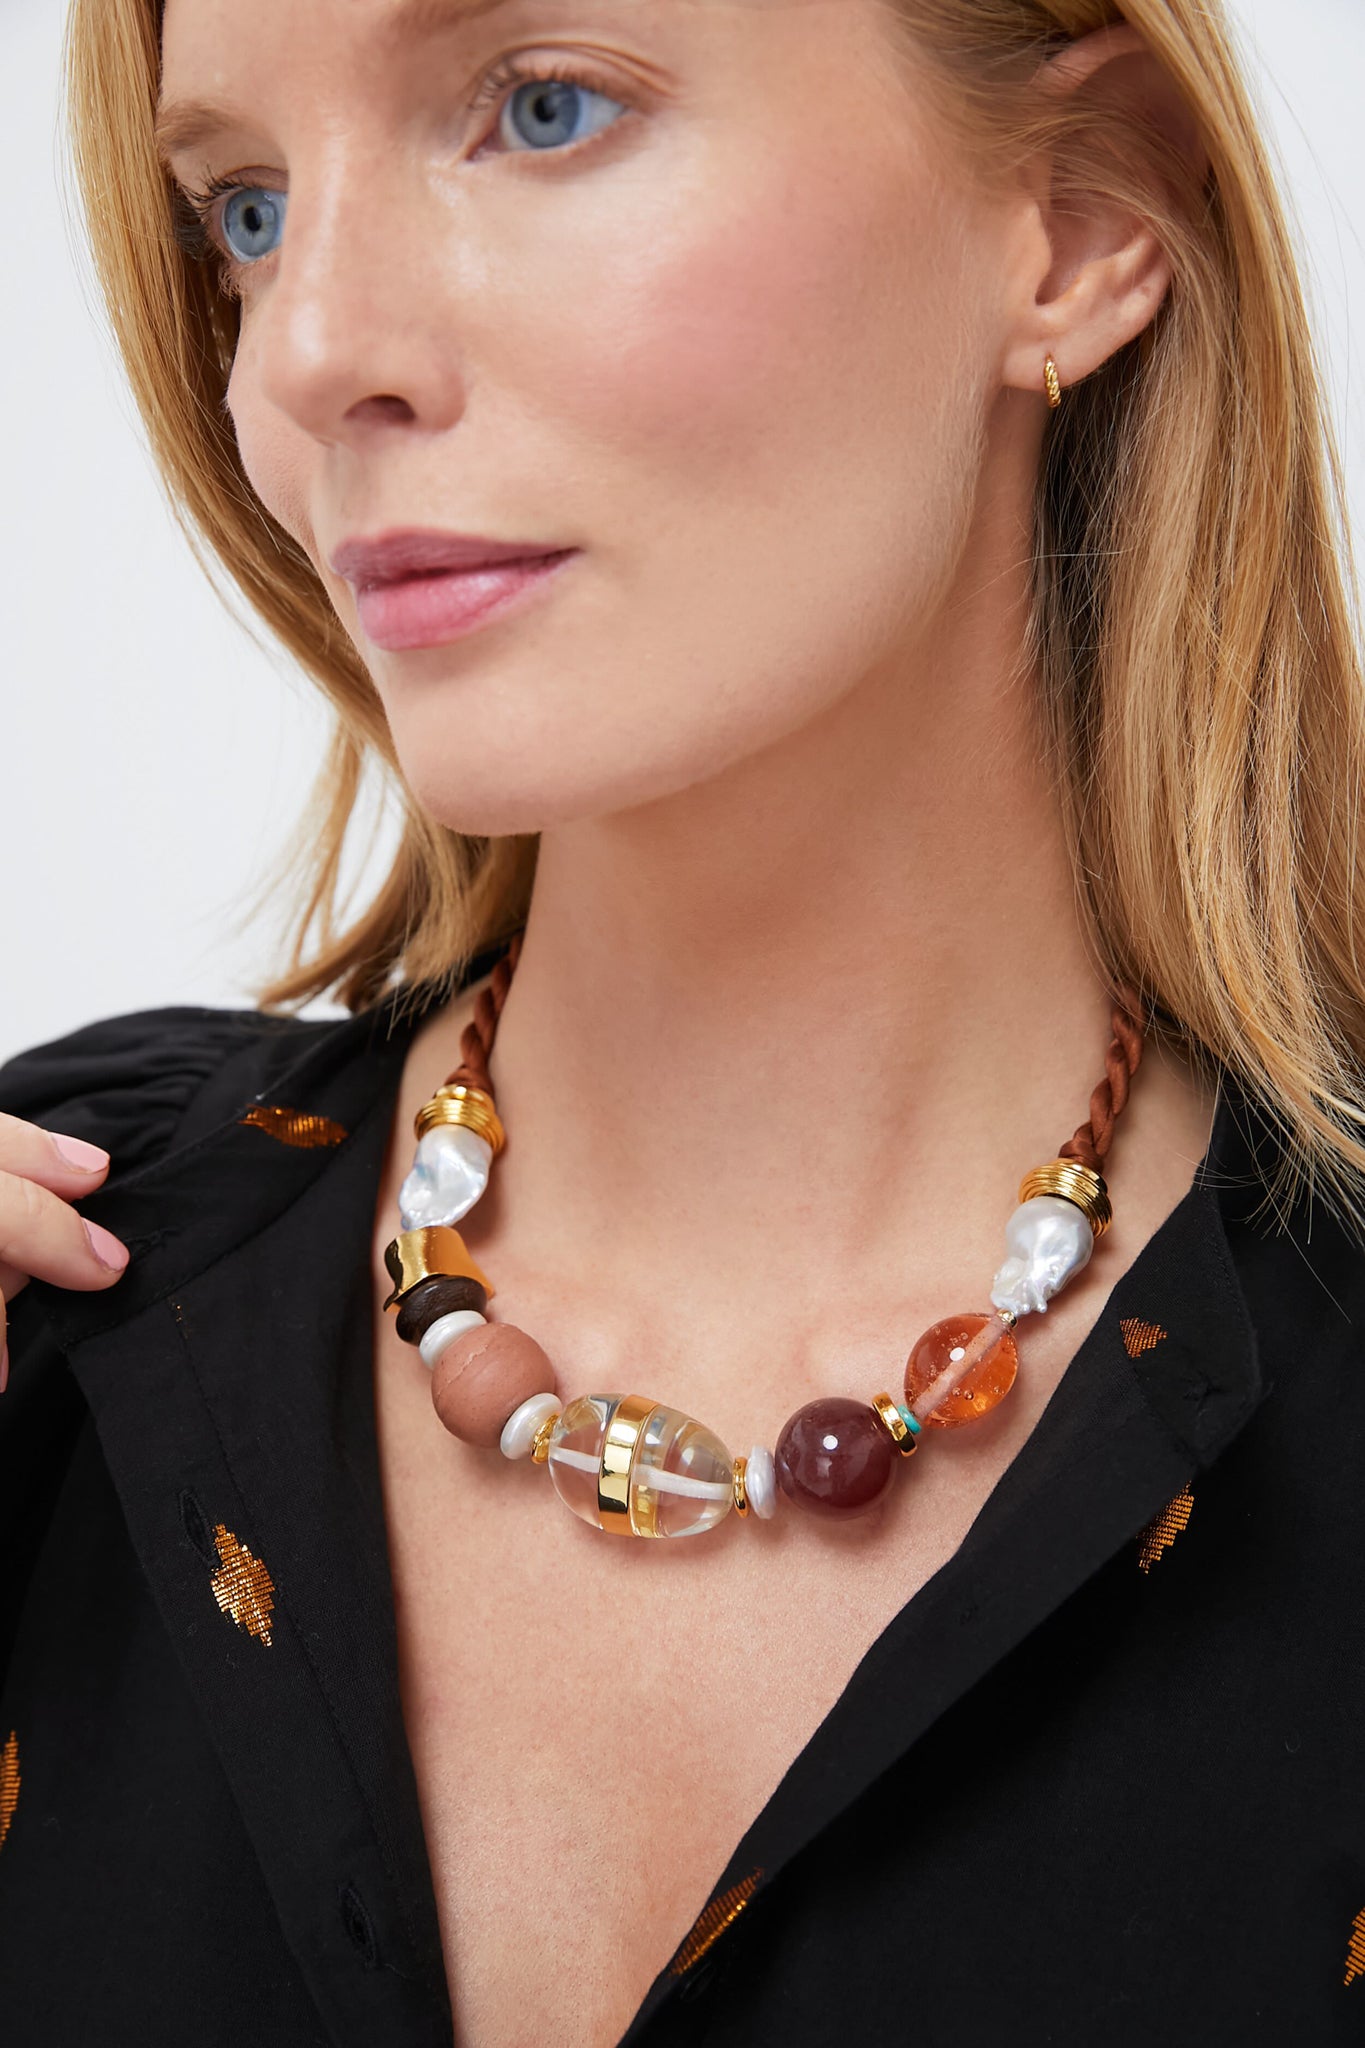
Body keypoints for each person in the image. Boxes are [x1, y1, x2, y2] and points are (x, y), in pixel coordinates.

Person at [2, 0, 1364, 2041]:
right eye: (247, 211)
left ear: (1082, 215)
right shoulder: (62, 1275)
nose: (304, 352)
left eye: (541, 110)